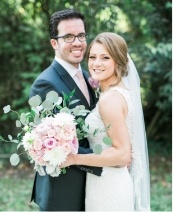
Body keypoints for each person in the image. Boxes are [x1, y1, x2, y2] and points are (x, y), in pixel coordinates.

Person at [62, 32, 151, 211]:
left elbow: (123, 155)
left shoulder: (110, 99)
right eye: (92, 57)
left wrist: (73, 158)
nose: (96, 63)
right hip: (107, 179)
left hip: (108, 186)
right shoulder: (121, 92)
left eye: (105, 58)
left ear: (117, 61)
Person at [29, 9, 104, 211]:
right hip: (63, 192)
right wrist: (107, 160)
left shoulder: (90, 76)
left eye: (81, 35)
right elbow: (57, 147)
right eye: (68, 37)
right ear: (55, 43)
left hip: (93, 188)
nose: (77, 42)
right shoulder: (45, 84)